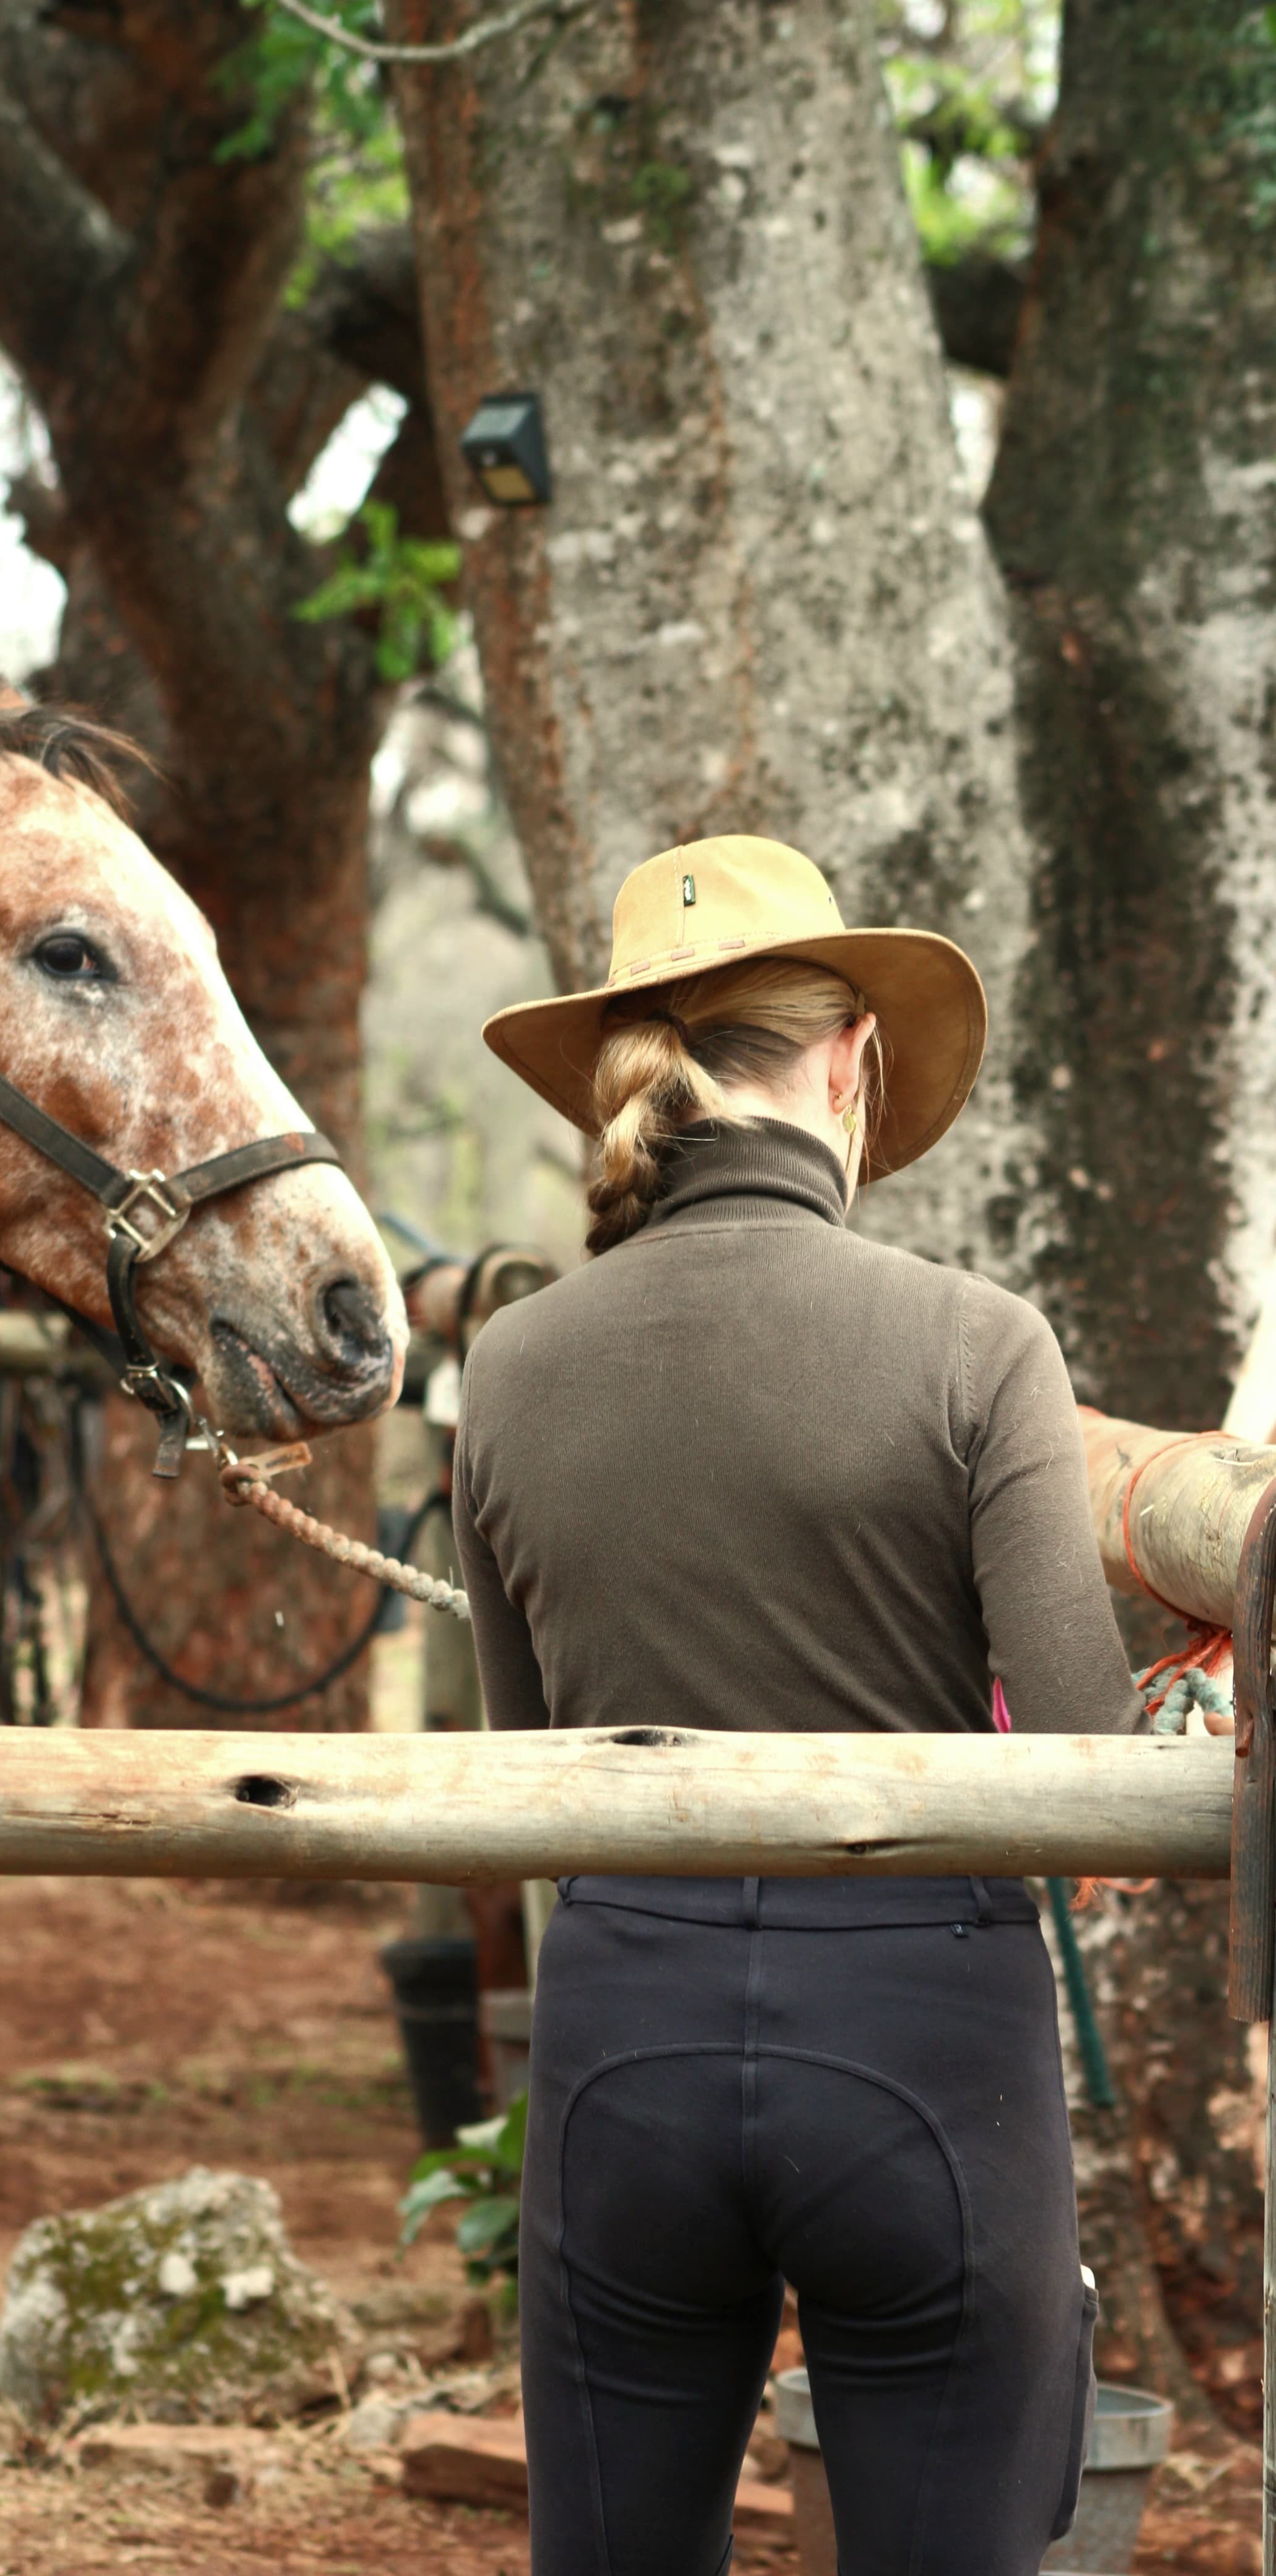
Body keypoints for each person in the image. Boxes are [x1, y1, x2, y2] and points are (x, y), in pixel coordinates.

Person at [451, 835, 1148, 2576]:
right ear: (848, 1063)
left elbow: (525, 1773)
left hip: (625, 2051)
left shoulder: (509, 1369)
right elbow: (1092, 1770)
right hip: (925, 2055)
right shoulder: (980, 1345)